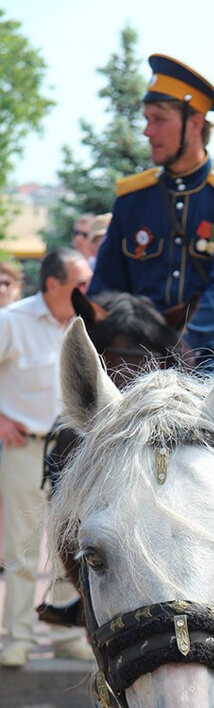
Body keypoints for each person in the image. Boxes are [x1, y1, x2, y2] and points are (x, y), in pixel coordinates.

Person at [90, 54, 214, 372]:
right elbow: (105, 285)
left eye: (158, 119)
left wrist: (180, 348)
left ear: (195, 123)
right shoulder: (132, 198)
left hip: (209, 348)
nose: (147, 131)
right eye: (146, 119)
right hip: (131, 349)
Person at [0, 248, 93, 668]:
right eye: (80, 283)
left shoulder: (84, 323)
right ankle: (17, 637)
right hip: (23, 446)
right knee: (21, 549)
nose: (88, 291)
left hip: (72, 449)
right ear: (53, 284)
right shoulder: (12, 321)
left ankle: (62, 634)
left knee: (70, 546)